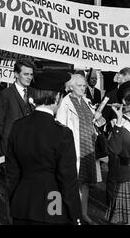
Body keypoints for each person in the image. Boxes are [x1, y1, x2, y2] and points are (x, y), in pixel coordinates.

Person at [6, 71, 82, 225]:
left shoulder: (18, 126)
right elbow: (68, 180)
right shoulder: (62, 133)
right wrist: (76, 215)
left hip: (22, 202)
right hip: (52, 202)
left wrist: (14, 202)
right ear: (57, 97)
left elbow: (12, 172)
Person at [56, 73, 104, 225]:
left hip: (88, 147)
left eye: (84, 85)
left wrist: (97, 117)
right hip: (74, 148)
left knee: (85, 183)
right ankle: (72, 214)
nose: (83, 88)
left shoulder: (86, 101)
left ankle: (83, 214)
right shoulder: (65, 103)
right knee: (73, 183)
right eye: (79, 85)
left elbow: (96, 123)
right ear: (71, 86)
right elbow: (60, 127)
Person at [0, 59, 35, 156]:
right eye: (26, 74)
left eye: (31, 75)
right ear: (16, 74)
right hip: (11, 148)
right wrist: (8, 138)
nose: (29, 78)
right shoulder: (5, 95)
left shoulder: (34, 93)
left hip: (30, 147)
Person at [103, 67, 130, 206]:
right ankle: (111, 204)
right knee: (114, 177)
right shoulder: (111, 95)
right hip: (117, 139)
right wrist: (116, 124)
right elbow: (102, 117)